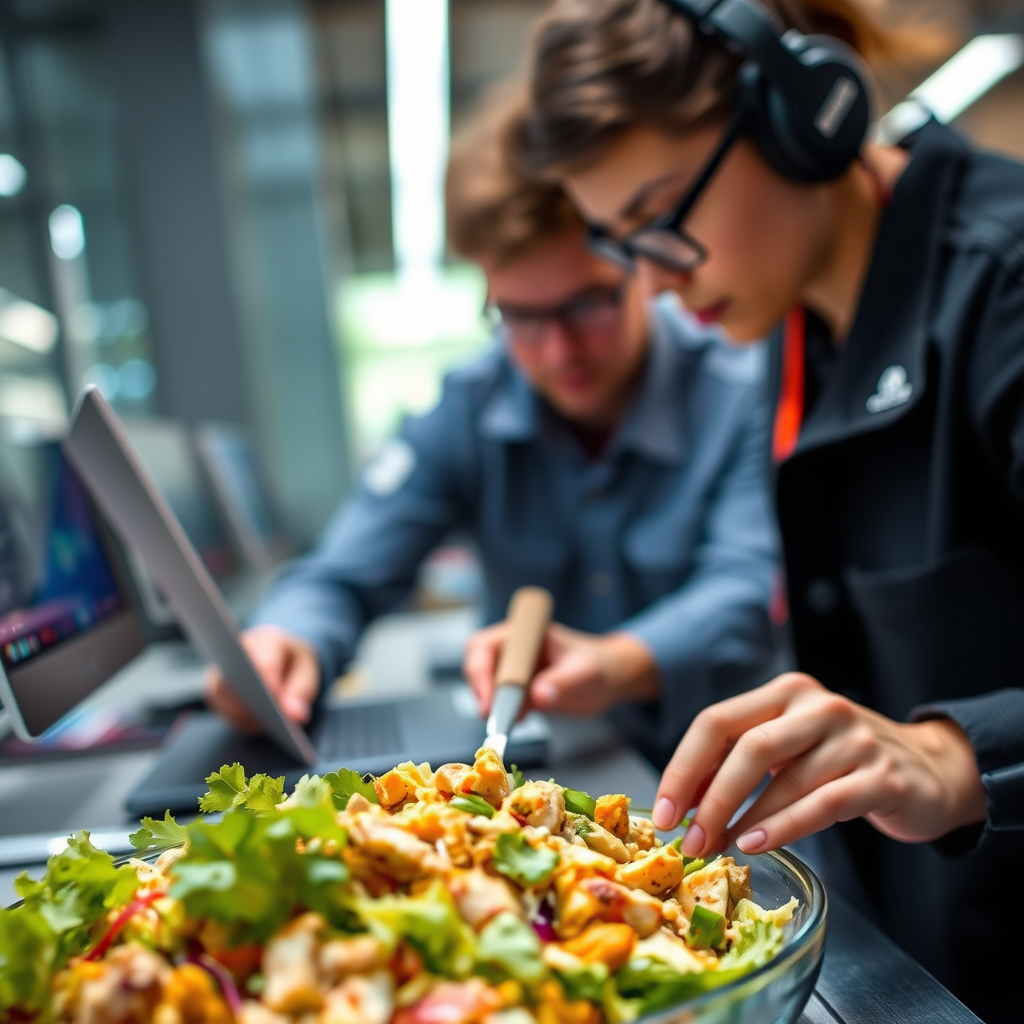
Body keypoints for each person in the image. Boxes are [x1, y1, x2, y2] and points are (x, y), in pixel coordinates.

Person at [510, 0, 1024, 1017]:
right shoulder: (794, 330)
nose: (657, 286)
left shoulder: (1004, 282)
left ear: (802, 119)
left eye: (665, 219)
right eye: (625, 245)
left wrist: (956, 755)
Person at [206, 96, 779, 769]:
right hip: (545, 774)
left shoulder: (743, 387)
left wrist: (617, 663)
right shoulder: (465, 409)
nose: (559, 350)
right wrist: (286, 641)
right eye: (521, 316)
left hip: (731, 773)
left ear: (642, 262)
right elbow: (341, 575)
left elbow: (745, 588)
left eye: (587, 304)